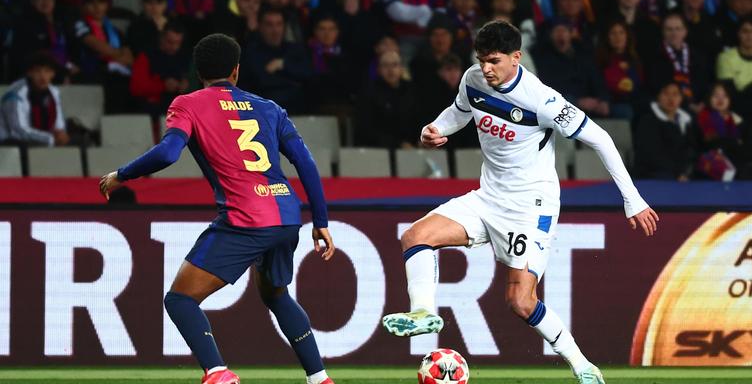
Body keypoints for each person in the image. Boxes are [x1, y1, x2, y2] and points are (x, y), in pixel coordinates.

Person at [381, 20, 658, 384]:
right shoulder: (473, 80)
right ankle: (423, 312)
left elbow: (601, 138)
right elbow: (460, 111)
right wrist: (434, 129)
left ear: (516, 57)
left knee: (521, 301)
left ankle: (583, 366)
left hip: (531, 206)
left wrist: (632, 200)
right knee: (415, 237)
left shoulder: (542, 100)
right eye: (481, 60)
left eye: (494, 60)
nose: (486, 68)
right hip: (487, 196)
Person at [98, 34, 336, 384]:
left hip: (245, 217)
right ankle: (319, 378)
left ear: (198, 72)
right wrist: (320, 220)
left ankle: (218, 373)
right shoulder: (269, 108)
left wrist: (122, 175)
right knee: (276, 294)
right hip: (286, 214)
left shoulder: (188, 104)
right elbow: (306, 162)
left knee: (180, 300)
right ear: (236, 71)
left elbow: (167, 153)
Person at [0, 51, 68, 146]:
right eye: (37, 71)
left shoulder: (53, 92)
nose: (43, 76)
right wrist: (50, 139)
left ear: (53, 73)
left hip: (41, 140)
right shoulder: (15, 93)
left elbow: (59, 126)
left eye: (47, 71)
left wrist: (61, 135)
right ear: (29, 73)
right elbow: (18, 130)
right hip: (8, 144)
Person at [633, 82, 697, 180]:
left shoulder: (686, 121)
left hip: (681, 174)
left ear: (681, 98)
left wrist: (685, 171)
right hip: (653, 174)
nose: (671, 98)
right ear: (658, 96)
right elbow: (651, 154)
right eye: (666, 94)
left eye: (675, 94)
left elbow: (690, 150)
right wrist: (677, 173)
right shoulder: (648, 121)